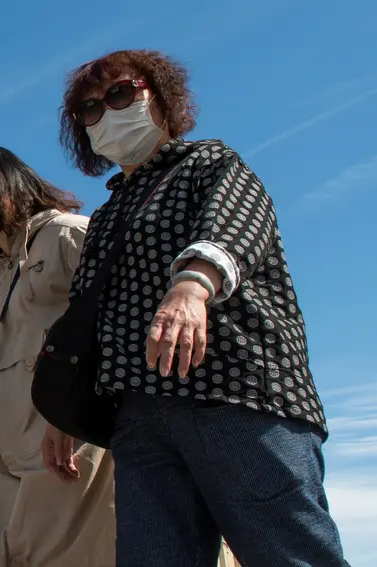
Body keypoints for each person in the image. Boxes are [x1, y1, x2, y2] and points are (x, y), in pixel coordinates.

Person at [54, 49, 350, 566]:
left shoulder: (210, 162)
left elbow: (233, 229)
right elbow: (87, 317)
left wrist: (193, 285)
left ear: (160, 98)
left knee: (291, 555)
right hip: (141, 417)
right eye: (90, 110)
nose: (105, 112)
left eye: (120, 94)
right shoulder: (105, 217)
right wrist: (60, 411)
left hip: (236, 394)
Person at [0, 147, 116, 567]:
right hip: (4, 460)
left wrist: (72, 416)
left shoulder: (67, 234)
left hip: (63, 449)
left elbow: (127, 315)